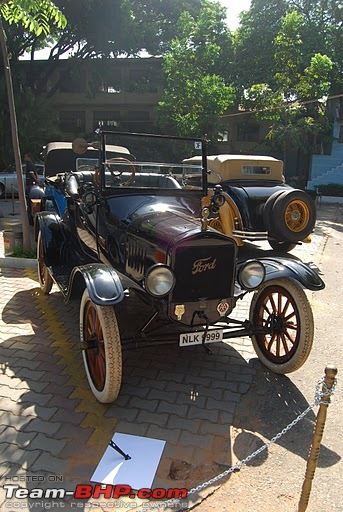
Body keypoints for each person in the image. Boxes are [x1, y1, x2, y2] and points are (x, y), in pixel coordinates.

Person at [24, 152, 39, 224]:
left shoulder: (30, 164)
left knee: (30, 201)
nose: (24, 158)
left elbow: (32, 173)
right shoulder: (32, 164)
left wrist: (36, 180)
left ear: (29, 157)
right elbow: (35, 173)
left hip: (30, 184)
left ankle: (30, 219)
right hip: (32, 183)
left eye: (25, 157)